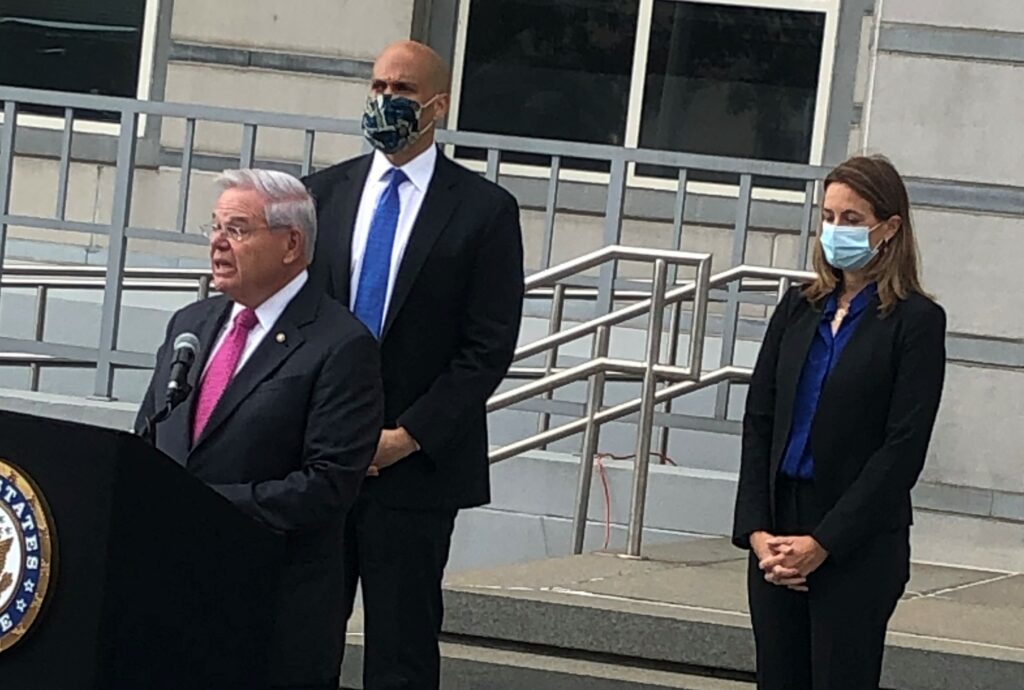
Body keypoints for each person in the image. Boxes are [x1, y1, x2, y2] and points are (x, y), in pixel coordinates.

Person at [304, 40, 525, 690]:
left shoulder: (483, 212)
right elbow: (301, 325)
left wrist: (407, 437)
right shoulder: (322, 195)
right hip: (320, 464)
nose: (384, 101)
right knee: (303, 638)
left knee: (400, 651)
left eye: (400, 91)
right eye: (376, 88)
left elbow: (486, 348)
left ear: (437, 105)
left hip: (417, 473)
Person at [135, 169, 383, 690]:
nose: (218, 243)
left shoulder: (340, 346)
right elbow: (147, 443)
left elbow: (327, 486)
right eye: (215, 227)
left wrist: (203, 508)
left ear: (292, 244)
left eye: (238, 229)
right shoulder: (191, 324)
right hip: (167, 605)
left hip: (268, 617)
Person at [732, 155, 947, 690]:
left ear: (889, 227)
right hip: (780, 528)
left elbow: (902, 448)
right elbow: (760, 420)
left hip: (855, 538)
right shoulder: (797, 309)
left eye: (851, 219)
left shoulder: (916, 323)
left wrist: (823, 543)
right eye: (828, 216)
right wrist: (759, 532)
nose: (835, 230)